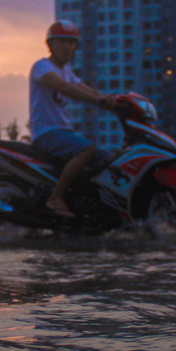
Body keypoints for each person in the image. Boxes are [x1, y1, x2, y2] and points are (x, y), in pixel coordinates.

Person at [28, 20, 118, 218]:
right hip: (46, 133)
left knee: (108, 159)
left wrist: (113, 100)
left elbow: (83, 87)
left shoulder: (66, 70)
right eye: (61, 42)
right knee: (87, 148)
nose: (67, 46)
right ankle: (56, 197)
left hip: (63, 132)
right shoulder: (42, 67)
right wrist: (98, 100)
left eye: (71, 42)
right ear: (50, 45)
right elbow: (68, 88)